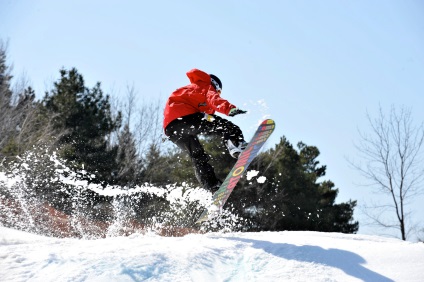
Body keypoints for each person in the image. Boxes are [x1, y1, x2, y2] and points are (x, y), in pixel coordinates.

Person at [163, 68, 248, 192]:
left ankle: (212, 185)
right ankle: (236, 145)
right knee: (226, 126)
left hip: (171, 129)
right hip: (185, 118)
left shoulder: (190, 89)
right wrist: (229, 109)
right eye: (218, 92)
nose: (218, 94)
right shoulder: (205, 85)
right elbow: (213, 99)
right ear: (216, 86)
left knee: (198, 156)